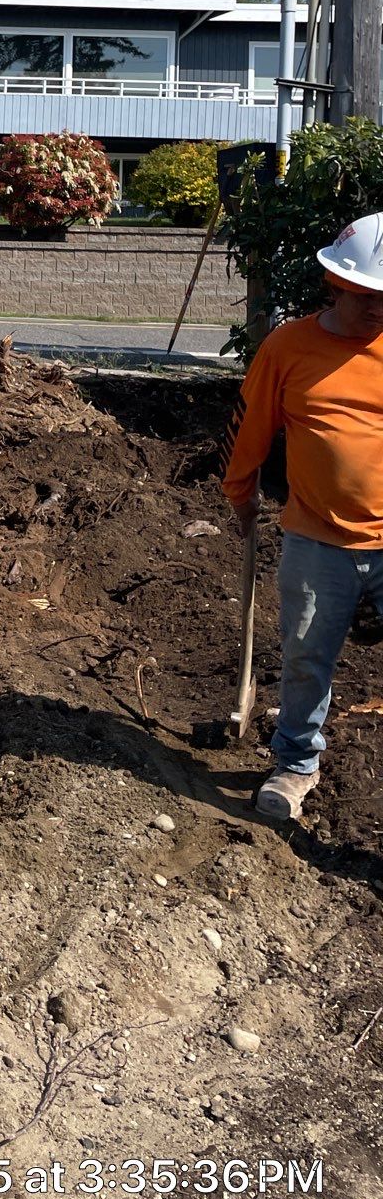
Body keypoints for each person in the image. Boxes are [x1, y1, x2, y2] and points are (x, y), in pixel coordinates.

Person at [221, 211, 383, 822]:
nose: (379, 310)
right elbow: (251, 424)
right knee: (306, 655)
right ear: (336, 285)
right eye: (368, 297)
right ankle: (296, 762)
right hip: (317, 538)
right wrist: (241, 494)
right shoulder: (288, 347)